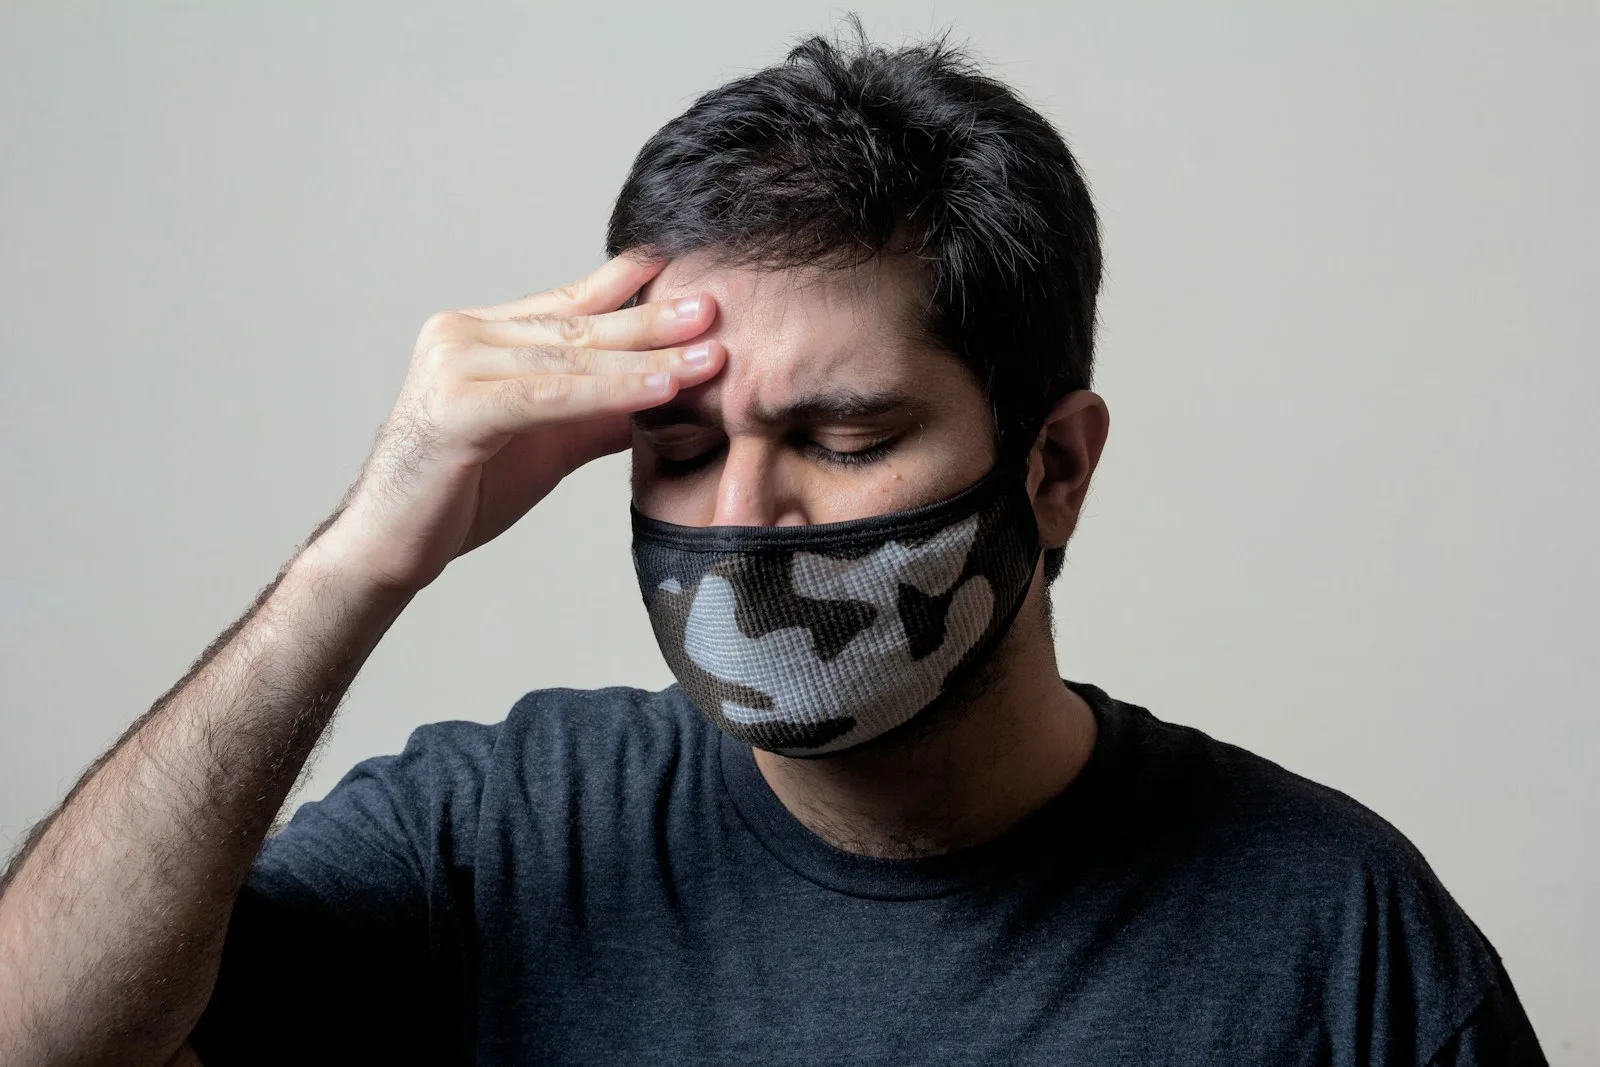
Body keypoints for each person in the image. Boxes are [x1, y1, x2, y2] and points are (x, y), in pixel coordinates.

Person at [0, 23, 1547, 1067]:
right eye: (678, 450)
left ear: (1055, 468)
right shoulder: (490, 837)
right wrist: (359, 562)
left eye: (844, 437)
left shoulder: (1336, 938)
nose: (740, 525)